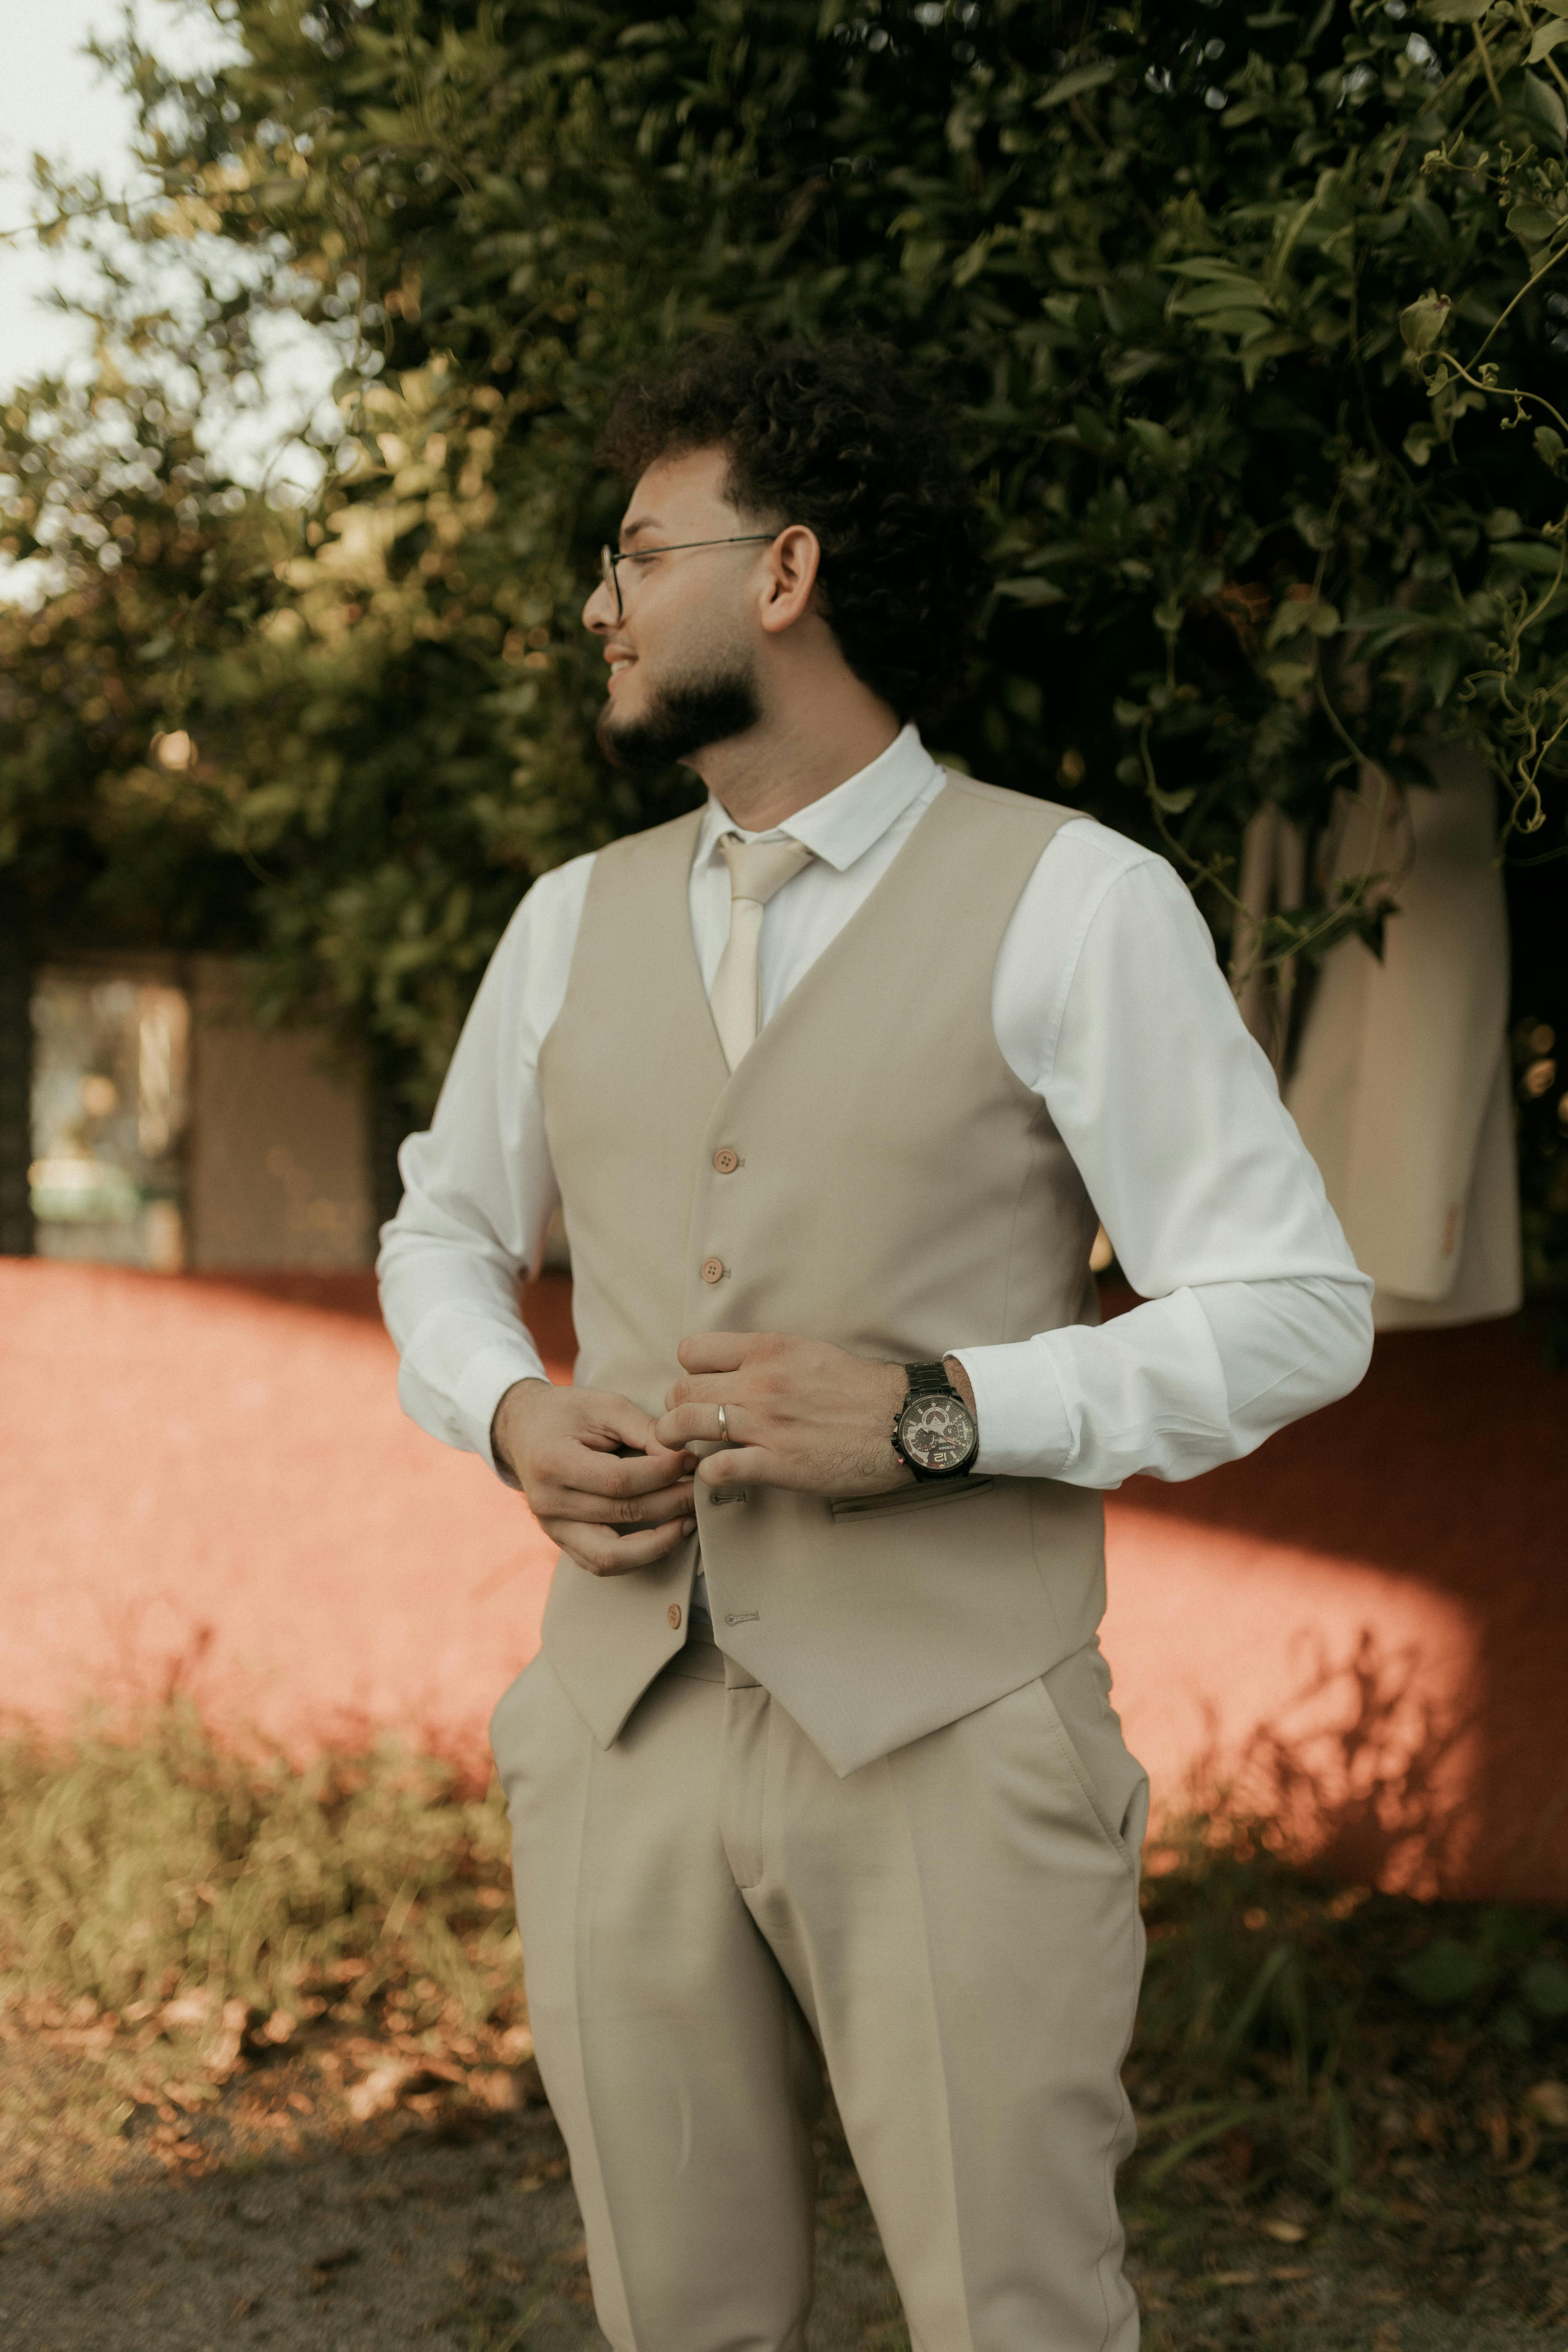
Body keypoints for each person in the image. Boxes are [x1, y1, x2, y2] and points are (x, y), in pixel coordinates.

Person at [377, 336, 1374, 2352]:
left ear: (787, 573)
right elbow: (446, 1235)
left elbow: (1296, 1310)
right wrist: (506, 1410)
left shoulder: (1075, 900)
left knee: (1017, 2317)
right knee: (676, 2319)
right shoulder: (565, 921)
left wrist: (939, 1414)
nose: (599, 603)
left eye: (639, 552)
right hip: (620, 1729)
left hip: (956, 1733)